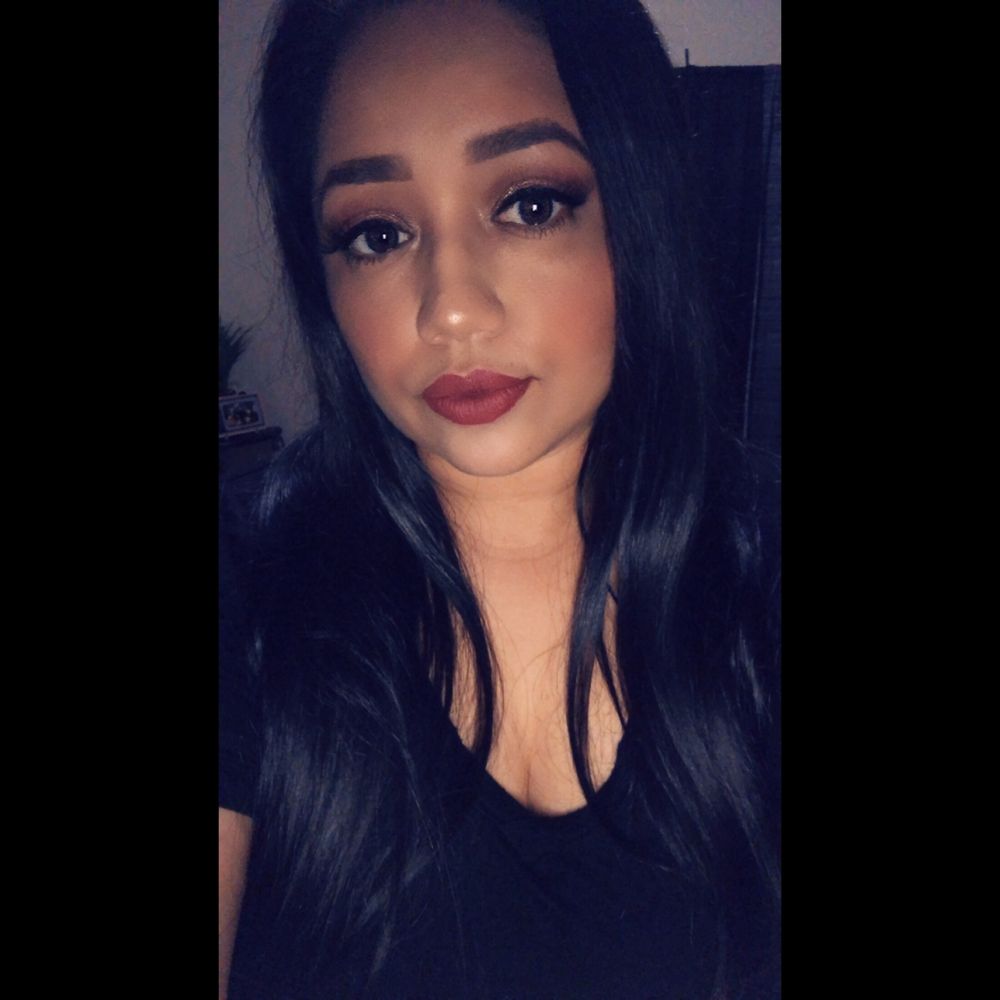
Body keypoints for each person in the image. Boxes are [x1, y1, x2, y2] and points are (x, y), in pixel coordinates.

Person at [219, 1, 781, 997]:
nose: (451, 309)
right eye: (377, 232)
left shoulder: (759, 573)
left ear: (637, 212)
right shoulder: (246, 583)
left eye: (528, 204)